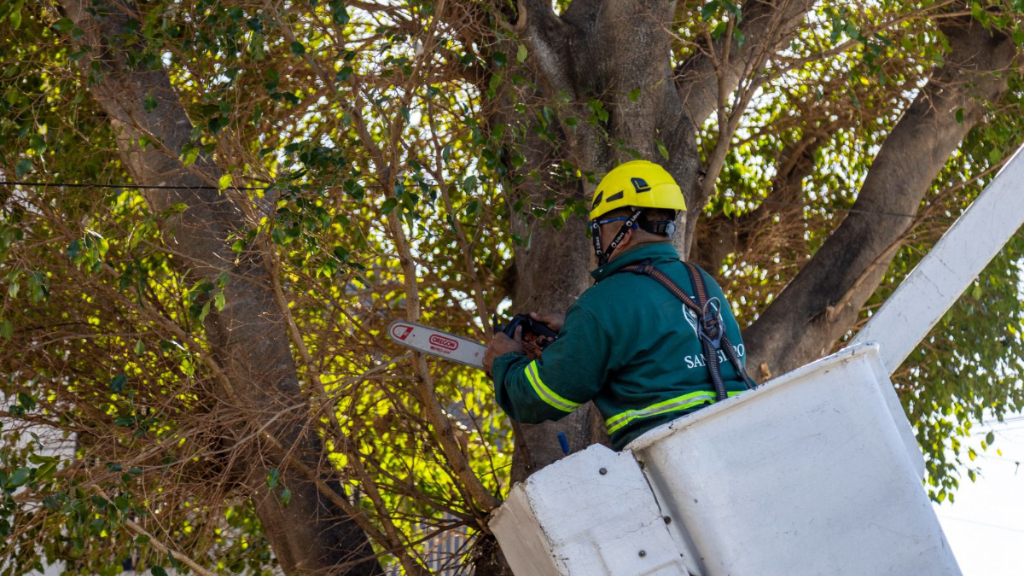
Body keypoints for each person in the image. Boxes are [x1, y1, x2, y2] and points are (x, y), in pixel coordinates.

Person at [483, 160, 756, 450]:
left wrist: (507, 361)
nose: (597, 240)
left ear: (622, 231)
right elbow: (662, 337)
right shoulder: (700, 280)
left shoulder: (602, 303)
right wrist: (577, 329)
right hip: (741, 432)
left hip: (673, 453)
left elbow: (541, 398)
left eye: (599, 229)